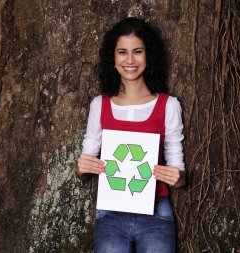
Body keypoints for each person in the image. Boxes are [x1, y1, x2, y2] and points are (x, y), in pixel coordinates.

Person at [75, 17, 186, 253]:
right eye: (122, 52)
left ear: (149, 55)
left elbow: (178, 167)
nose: (130, 60)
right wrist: (82, 168)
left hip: (156, 213)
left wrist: (179, 177)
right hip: (110, 214)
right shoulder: (100, 105)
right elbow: (83, 169)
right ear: (112, 58)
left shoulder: (168, 105)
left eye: (137, 51)